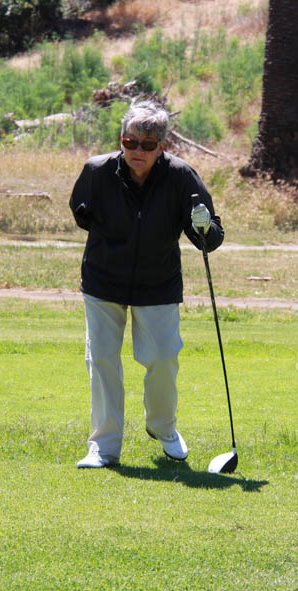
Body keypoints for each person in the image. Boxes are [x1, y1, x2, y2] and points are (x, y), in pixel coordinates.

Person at [69, 99, 224, 468]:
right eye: (130, 142)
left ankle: (162, 427)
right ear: (122, 139)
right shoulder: (97, 170)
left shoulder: (182, 176)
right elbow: (82, 212)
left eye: (148, 145)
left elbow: (210, 239)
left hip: (158, 283)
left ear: (162, 147)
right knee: (103, 360)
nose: (137, 151)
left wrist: (203, 226)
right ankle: (104, 448)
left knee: (162, 359)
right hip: (104, 281)